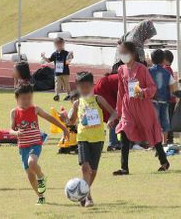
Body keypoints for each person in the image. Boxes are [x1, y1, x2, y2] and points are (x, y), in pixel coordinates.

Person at [114, 42, 170, 176]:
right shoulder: (121, 69)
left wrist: (143, 92)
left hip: (143, 106)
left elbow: (152, 87)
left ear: (133, 54)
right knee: (124, 133)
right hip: (128, 106)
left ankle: (164, 161)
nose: (123, 55)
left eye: (125, 52)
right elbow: (121, 91)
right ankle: (124, 168)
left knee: (151, 132)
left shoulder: (142, 69)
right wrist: (119, 110)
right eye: (121, 53)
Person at [10, 84, 69, 205]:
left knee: (32, 162)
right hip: (23, 147)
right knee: (30, 175)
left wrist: (64, 128)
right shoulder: (14, 112)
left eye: (29, 98)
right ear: (17, 98)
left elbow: (49, 118)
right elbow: (11, 130)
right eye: (23, 99)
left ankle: (41, 176)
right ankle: (40, 197)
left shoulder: (35, 109)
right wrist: (16, 132)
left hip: (35, 143)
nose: (27, 101)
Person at [69, 72, 117, 207]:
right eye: (81, 87)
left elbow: (114, 113)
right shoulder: (77, 103)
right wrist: (64, 118)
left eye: (87, 87)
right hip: (83, 137)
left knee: (93, 171)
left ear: (92, 86)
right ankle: (88, 197)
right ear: (77, 87)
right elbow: (72, 122)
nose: (84, 90)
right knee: (85, 168)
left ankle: (83, 192)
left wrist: (110, 121)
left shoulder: (98, 99)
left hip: (98, 138)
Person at [149, 49, 176, 145]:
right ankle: (164, 142)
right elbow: (172, 85)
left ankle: (155, 142)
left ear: (152, 60)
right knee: (165, 122)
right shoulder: (167, 72)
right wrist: (171, 96)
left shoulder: (148, 71)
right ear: (163, 59)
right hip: (164, 101)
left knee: (153, 122)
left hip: (152, 101)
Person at [94, 70, 120, 151]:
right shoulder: (129, 78)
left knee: (116, 115)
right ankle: (112, 144)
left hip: (105, 89)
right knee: (113, 116)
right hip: (103, 90)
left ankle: (116, 142)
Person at [41, 37, 73, 101]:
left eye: (61, 44)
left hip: (65, 72)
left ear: (63, 44)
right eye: (58, 45)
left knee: (66, 84)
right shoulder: (54, 54)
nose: (59, 46)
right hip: (57, 72)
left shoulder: (66, 53)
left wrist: (70, 56)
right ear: (55, 45)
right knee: (57, 84)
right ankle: (57, 95)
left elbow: (67, 62)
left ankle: (69, 95)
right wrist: (44, 57)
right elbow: (49, 60)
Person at [163, 50, 177, 144]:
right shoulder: (169, 68)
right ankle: (169, 139)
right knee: (169, 118)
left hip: (168, 99)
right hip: (171, 99)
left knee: (166, 119)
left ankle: (168, 139)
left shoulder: (166, 69)